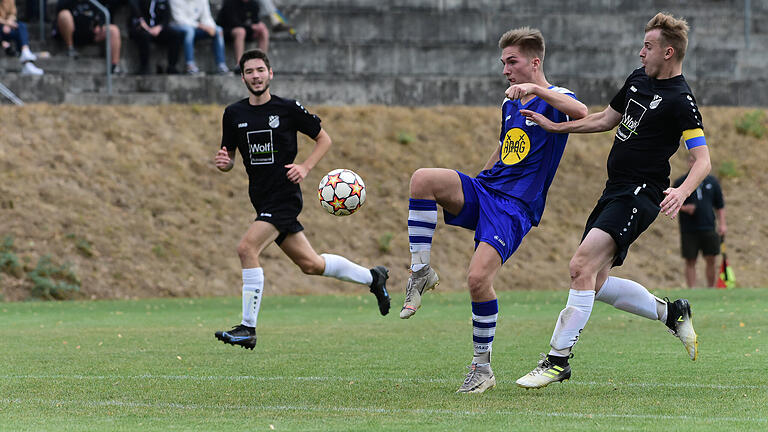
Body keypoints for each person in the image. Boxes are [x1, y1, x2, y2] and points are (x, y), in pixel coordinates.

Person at [515, 13, 709, 389]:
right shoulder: (638, 80)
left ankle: (557, 361)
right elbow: (605, 118)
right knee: (596, 281)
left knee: (580, 266)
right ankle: (672, 313)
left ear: (668, 52)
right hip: (614, 189)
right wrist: (557, 127)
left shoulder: (681, 101)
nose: (640, 53)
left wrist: (682, 191)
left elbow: (702, 160)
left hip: (641, 193)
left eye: (648, 47)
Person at [399, 27, 588, 393]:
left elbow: (581, 113)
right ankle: (420, 272)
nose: (505, 70)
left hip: (515, 207)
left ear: (534, 63)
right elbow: (506, 145)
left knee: (477, 280)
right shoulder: (508, 103)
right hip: (487, 190)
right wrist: (477, 179)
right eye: (503, 63)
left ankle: (481, 368)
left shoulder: (558, 96)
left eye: (512, 62)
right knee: (423, 179)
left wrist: (535, 89)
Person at [213, 49, 391, 350]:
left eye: (260, 70)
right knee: (311, 264)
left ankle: (248, 328)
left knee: (246, 248)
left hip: (284, 198)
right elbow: (228, 156)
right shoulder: (233, 114)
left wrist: (305, 167)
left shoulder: (287, 109)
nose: (255, 76)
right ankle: (373, 277)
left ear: (271, 73)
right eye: (249, 71)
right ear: (242, 77)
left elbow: (324, 138)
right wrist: (225, 164)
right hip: (261, 198)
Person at [674, 154, 726, 288]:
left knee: (711, 258)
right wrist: (685, 208)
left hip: (708, 226)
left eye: (696, 161)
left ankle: (710, 288)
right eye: (691, 161)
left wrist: (722, 224)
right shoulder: (680, 182)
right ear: (688, 163)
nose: (693, 164)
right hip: (688, 229)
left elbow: (720, 206)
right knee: (690, 260)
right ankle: (691, 289)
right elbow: (671, 203)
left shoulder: (712, 182)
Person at [53, 0, 123, 73]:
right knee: (64, 15)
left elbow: (104, 10)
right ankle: (70, 48)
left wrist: (100, 24)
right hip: (72, 33)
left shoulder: (94, 2)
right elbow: (59, 9)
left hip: (90, 32)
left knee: (114, 30)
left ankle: (115, 66)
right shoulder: (66, 2)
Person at [169, 0, 228, 75]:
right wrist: (201, 26)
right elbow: (179, 20)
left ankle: (221, 65)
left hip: (196, 27)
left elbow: (206, 18)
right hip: (177, 27)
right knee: (189, 31)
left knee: (218, 30)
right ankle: (190, 65)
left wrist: (213, 27)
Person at [128, 0, 183, 74]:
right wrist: (145, 26)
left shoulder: (163, 1)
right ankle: (144, 67)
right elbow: (135, 10)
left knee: (176, 35)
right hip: (142, 28)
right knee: (144, 36)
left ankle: (172, 67)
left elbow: (166, 18)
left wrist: (160, 27)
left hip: (157, 29)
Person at [217, 0, 269, 72]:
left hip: (246, 29)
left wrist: (258, 25)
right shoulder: (229, 3)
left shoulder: (254, 4)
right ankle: (240, 64)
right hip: (226, 30)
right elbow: (233, 23)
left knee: (263, 30)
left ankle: (262, 63)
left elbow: (255, 20)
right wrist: (252, 27)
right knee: (240, 31)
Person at [1, 0, 44, 75]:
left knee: (21, 26)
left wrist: (9, 23)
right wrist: (6, 23)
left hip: (7, 27)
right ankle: (26, 60)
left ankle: (26, 54)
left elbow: (13, 14)